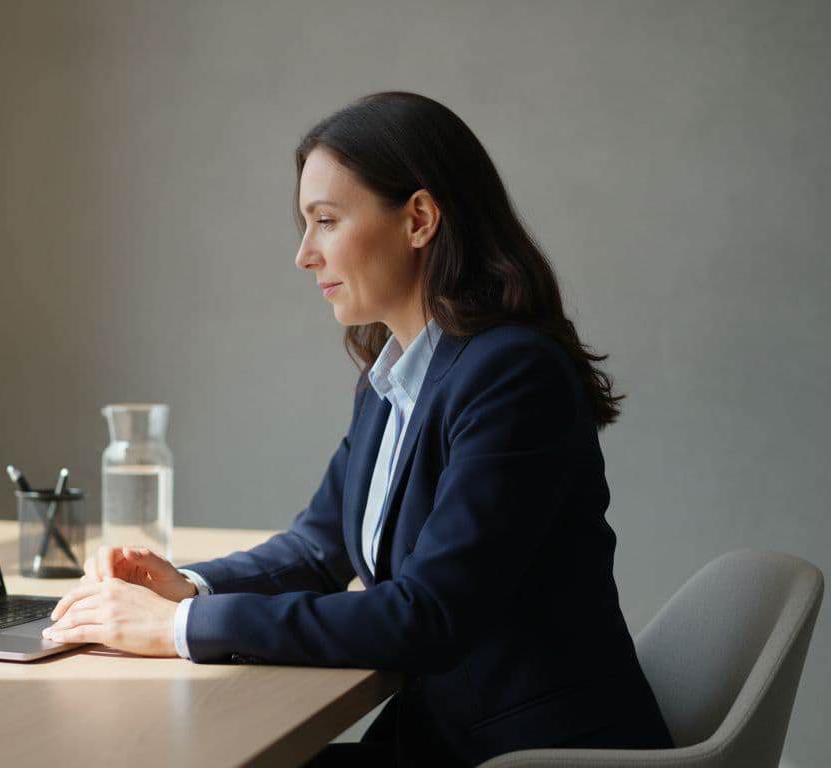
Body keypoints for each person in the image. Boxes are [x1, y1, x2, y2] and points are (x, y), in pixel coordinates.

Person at [43, 91, 674, 766]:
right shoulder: (396, 374)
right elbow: (318, 548)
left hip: (530, 752)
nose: (304, 255)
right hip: (450, 737)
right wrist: (188, 587)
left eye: (325, 221)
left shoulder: (512, 374)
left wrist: (180, 629)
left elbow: (427, 616)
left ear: (420, 220)